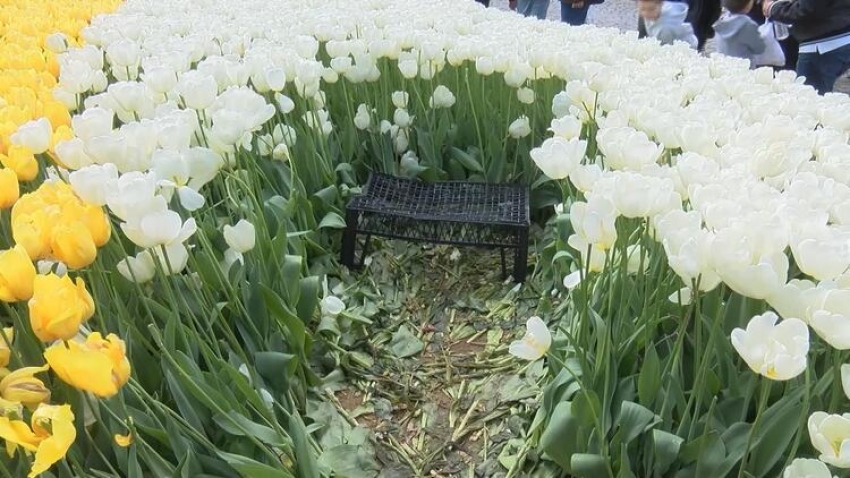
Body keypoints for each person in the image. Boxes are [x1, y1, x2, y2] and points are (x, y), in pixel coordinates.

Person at [764, 0, 850, 93]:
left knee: (812, 100)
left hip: (822, 46)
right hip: (837, 39)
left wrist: (773, 8)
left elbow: (806, 9)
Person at [713, 0, 766, 67]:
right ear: (747, 5)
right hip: (744, 69)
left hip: (724, 66)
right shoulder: (748, 25)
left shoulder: (722, 20)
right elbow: (760, 49)